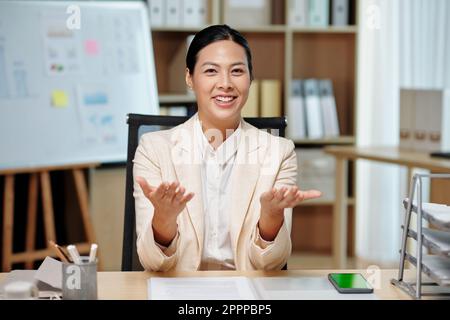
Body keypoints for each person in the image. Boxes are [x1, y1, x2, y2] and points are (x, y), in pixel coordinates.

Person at [134, 25, 321, 271]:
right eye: (211, 71)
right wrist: (163, 221)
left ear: (251, 78)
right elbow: (152, 263)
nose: (225, 83)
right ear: (190, 77)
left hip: (248, 295)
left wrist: (271, 218)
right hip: (181, 292)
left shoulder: (279, 152)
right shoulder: (154, 149)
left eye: (237, 71)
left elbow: (272, 263)